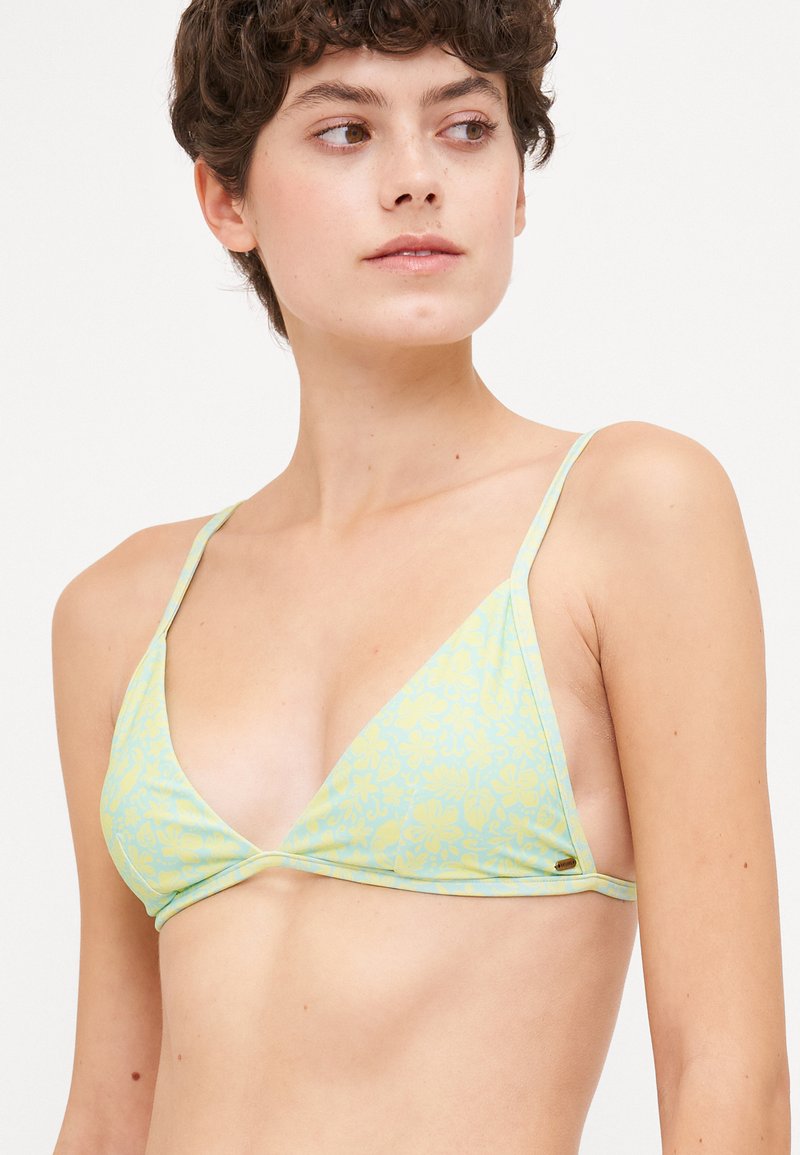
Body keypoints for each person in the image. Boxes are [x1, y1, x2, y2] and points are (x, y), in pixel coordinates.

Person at [51, 2, 790, 1152]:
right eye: (345, 131)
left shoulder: (624, 515)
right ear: (225, 198)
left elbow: (724, 1074)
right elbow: (108, 1109)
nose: (415, 180)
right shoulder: (121, 610)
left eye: (463, 128)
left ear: (516, 186)